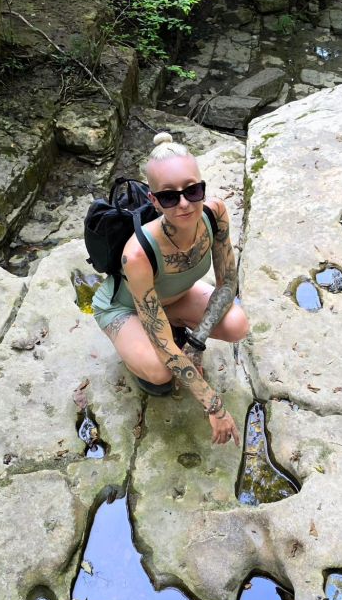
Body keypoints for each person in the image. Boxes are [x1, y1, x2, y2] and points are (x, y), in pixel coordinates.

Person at [92, 132, 249, 445]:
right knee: (160, 373)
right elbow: (161, 338)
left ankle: (179, 328)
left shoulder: (215, 214)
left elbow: (228, 283)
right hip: (125, 309)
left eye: (192, 190)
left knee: (237, 324)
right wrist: (213, 404)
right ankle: (134, 355)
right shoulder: (137, 253)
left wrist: (196, 342)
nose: (184, 203)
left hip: (175, 298)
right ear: (154, 201)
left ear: (202, 187)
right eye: (169, 197)